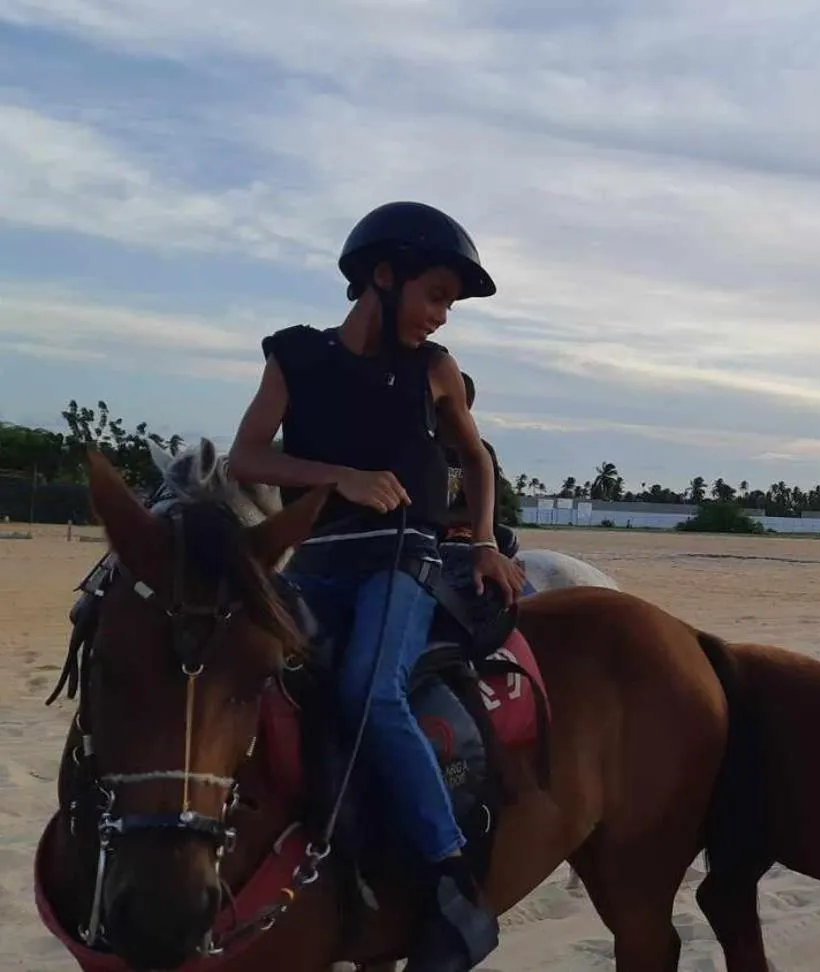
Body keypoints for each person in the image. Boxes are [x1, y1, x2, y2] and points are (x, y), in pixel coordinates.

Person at [228, 200, 525, 972]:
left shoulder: (434, 370)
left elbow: (476, 460)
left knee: (369, 686)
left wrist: (486, 541)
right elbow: (248, 458)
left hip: (405, 559)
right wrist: (342, 478)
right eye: (435, 296)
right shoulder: (296, 356)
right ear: (383, 278)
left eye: (449, 305)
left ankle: (449, 876)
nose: (440, 317)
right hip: (319, 561)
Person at [441, 371, 518, 558]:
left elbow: (491, 512)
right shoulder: (424, 446)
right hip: (431, 525)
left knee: (506, 537)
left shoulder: (482, 452)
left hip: (468, 526)